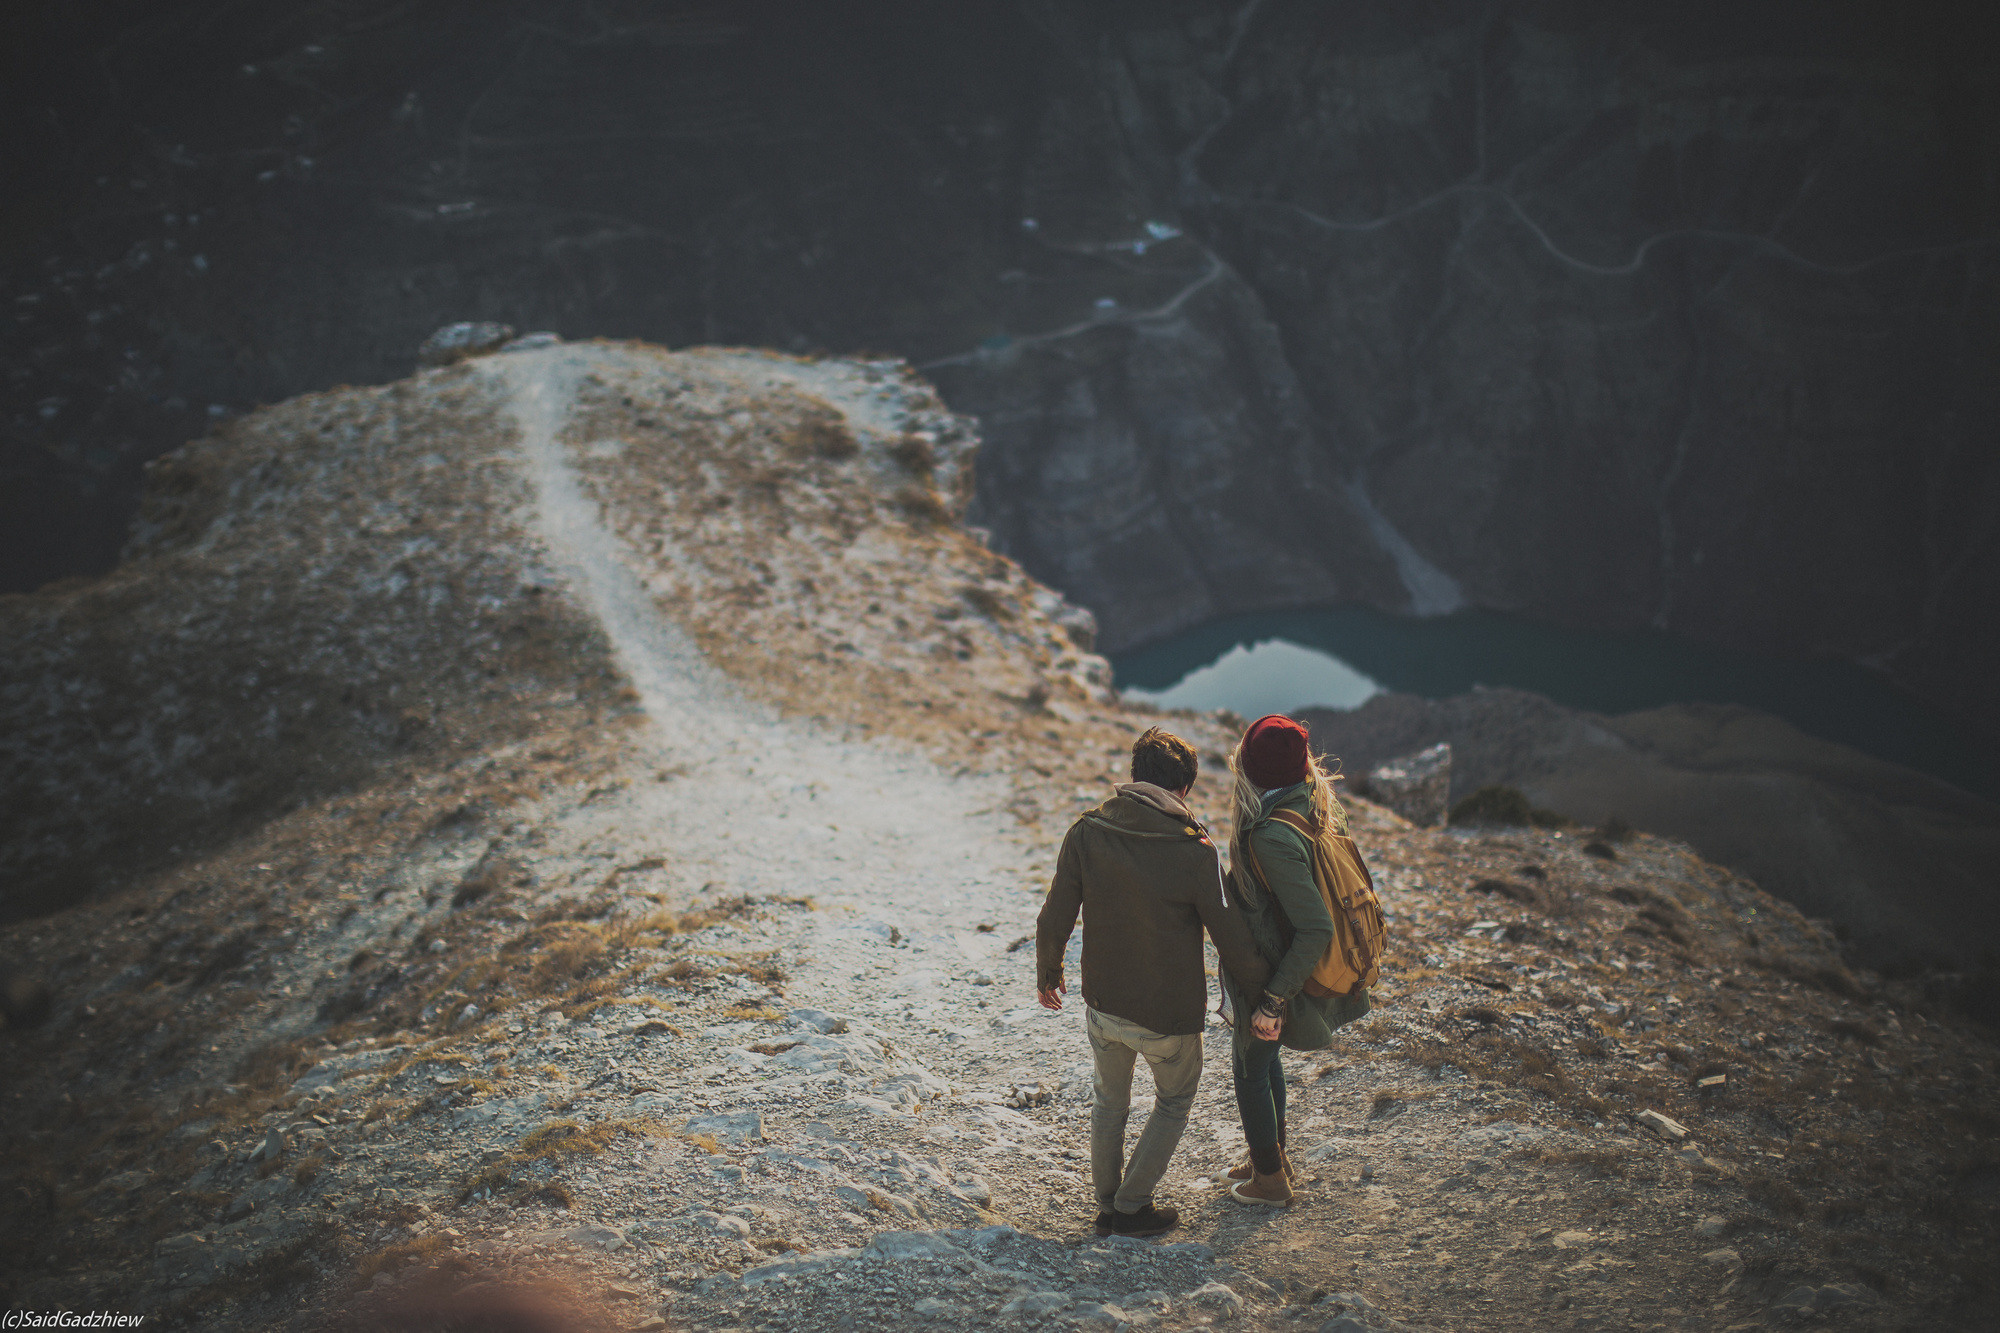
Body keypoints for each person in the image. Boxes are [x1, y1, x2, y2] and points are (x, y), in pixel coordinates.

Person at [1036, 726, 1273, 1237]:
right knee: (1173, 1101)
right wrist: (1267, 997)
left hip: (1103, 1004)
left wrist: (1048, 973)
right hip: (1168, 1017)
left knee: (1109, 1101)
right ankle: (1131, 1207)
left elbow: (1055, 912)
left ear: (1134, 776)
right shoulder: (1194, 849)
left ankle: (1106, 1203)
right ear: (1183, 788)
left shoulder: (1087, 831)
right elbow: (1230, 937)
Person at [1219, 714, 1372, 1207]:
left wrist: (1272, 999)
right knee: (1265, 1060)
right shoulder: (1315, 802)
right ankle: (1272, 1155)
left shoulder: (1271, 836)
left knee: (1249, 1066)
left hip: (1277, 970)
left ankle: (1269, 1180)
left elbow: (1315, 927)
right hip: (1288, 965)